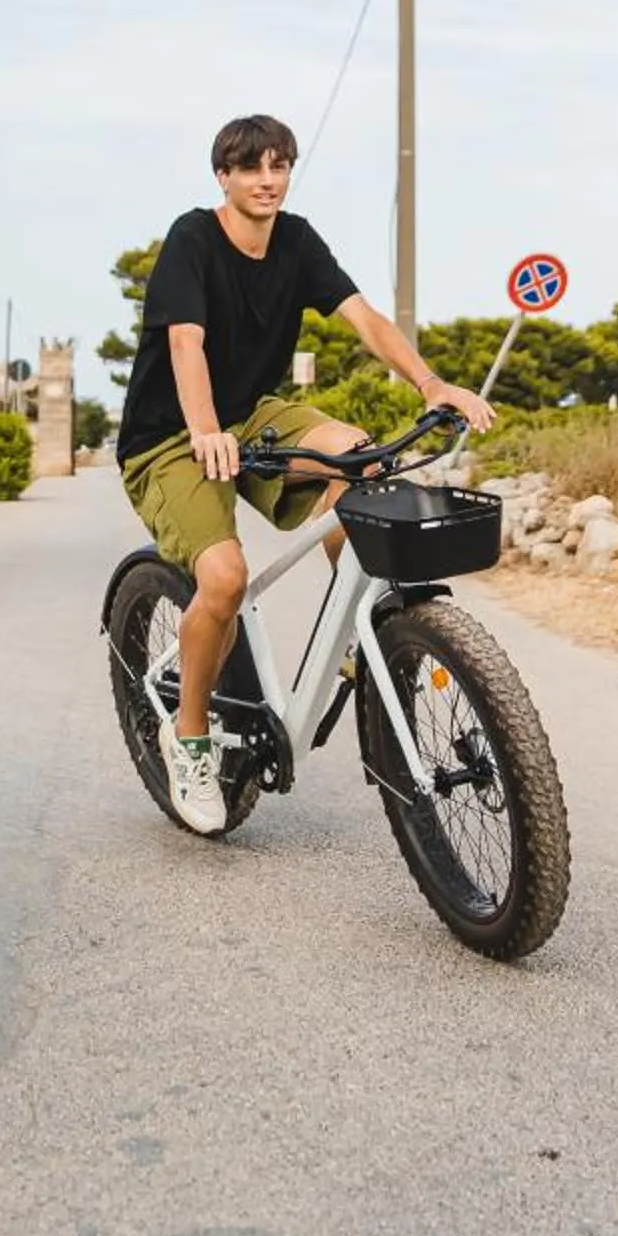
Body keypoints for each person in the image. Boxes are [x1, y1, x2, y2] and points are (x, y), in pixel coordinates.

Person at [115, 114, 495, 834]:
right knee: (223, 580)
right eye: (251, 167)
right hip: (169, 438)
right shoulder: (192, 238)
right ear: (222, 176)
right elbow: (186, 344)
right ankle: (189, 738)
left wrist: (431, 384)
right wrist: (202, 432)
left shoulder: (296, 239)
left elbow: (366, 319)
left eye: (280, 166)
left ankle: (363, 630)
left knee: (358, 453)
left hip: (256, 415)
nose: (268, 180)